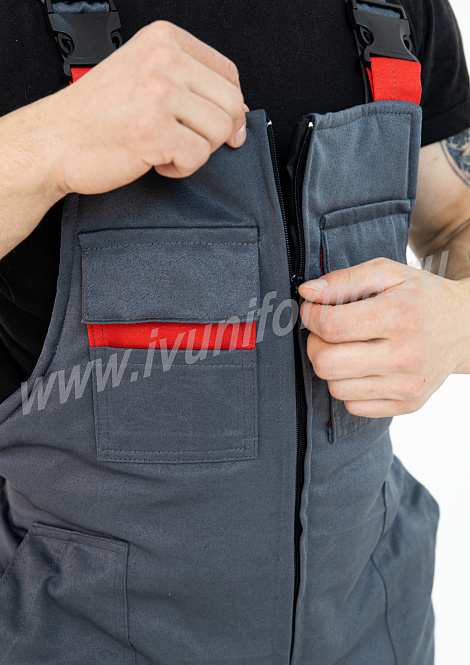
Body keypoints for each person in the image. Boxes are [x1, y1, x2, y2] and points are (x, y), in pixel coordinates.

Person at [0, 1, 468, 663]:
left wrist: (458, 322)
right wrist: (44, 144)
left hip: (380, 629)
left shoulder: (396, 9)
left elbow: (455, 222)